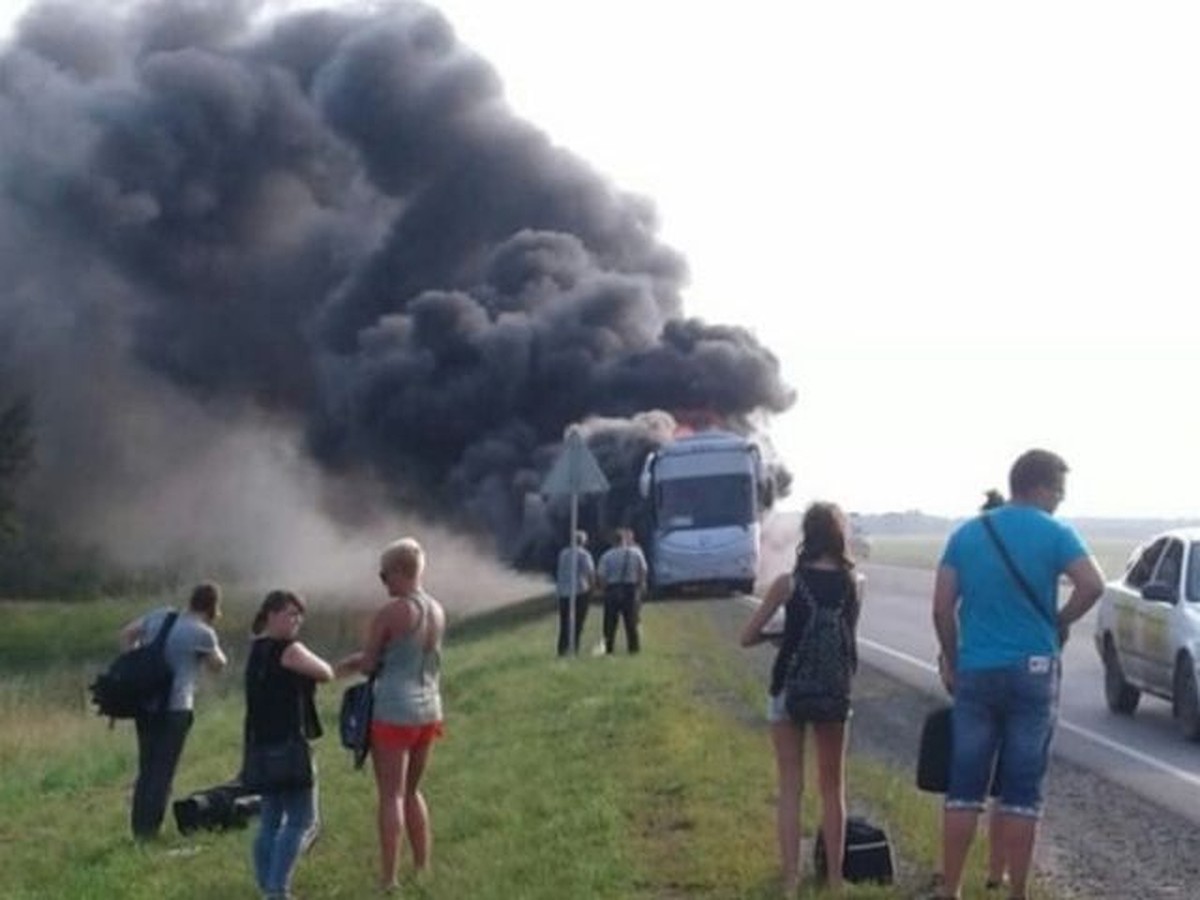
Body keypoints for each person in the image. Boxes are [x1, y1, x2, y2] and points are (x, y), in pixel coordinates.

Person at [931, 450, 1104, 900]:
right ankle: (1017, 892)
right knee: (1023, 789)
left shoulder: (966, 535)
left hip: (977, 670)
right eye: (1058, 493)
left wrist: (952, 658)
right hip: (1034, 669)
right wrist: (1060, 619)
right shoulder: (1056, 533)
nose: (1059, 503)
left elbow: (941, 607)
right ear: (1040, 486)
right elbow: (1093, 584)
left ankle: (950, 888)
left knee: (965, 784)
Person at [740, 502, 862, 896]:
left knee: (791, 785)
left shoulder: (788, 584)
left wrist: (778, 635)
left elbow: (747, 636)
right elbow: (847, 637)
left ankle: (791, 879)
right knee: (833, 788)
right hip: (834, 690)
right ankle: (835, 880)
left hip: (789, 688)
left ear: (807, 535)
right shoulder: (855, 584)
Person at [336, 537, 446, 894]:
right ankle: (422, 866)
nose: (383, 583)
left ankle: (388, 879)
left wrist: (345, 665)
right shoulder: (437, 610)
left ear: (401, 572)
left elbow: (369, 663)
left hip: (394, 711)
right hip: (429, 707)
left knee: (391, 796)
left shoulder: (393, 613)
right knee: (413, 792)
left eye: (385, 576)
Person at [119, 581, 227, 839]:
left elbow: (126, 634)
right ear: (213, 607)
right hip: (176, 707)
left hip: (145, 704)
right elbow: (218, 665)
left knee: (147, 767)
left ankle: (138, 827)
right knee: (162, 770)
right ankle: (148, 832)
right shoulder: (202, 632)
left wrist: (132, 661)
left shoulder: (160, 616)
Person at [244, 590, 333, 900]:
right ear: (270, 614)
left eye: (299, 614)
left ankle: (267, 885)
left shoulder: (256, 649)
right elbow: (326, 672)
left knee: (270, 819)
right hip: (290, 744)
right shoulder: (289, 650)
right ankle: (276, 889)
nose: (296, 620)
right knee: (301, 820)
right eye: (290, 613)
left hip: (261, 745)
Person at [596, 527, 648, 654]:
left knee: (610, 622)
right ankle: (633, 649)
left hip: (612, 589)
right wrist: (640, 586)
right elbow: (643, 570)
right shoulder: (636, 553)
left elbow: (601, 575)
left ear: (612, 541)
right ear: (624, 540)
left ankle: (609, 648)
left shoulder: (607, 555)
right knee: (631, 621)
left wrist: (604, 590)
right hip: (630, 588)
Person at [555, 529, 596, 656]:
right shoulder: (584, 555)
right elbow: (590, 573)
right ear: (583, 541)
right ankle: (574, 649)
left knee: (564, 622)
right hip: (580, 591)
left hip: (563, 592)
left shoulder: (563, 553)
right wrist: (593, 588)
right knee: (578, 623)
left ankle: (562, 650)